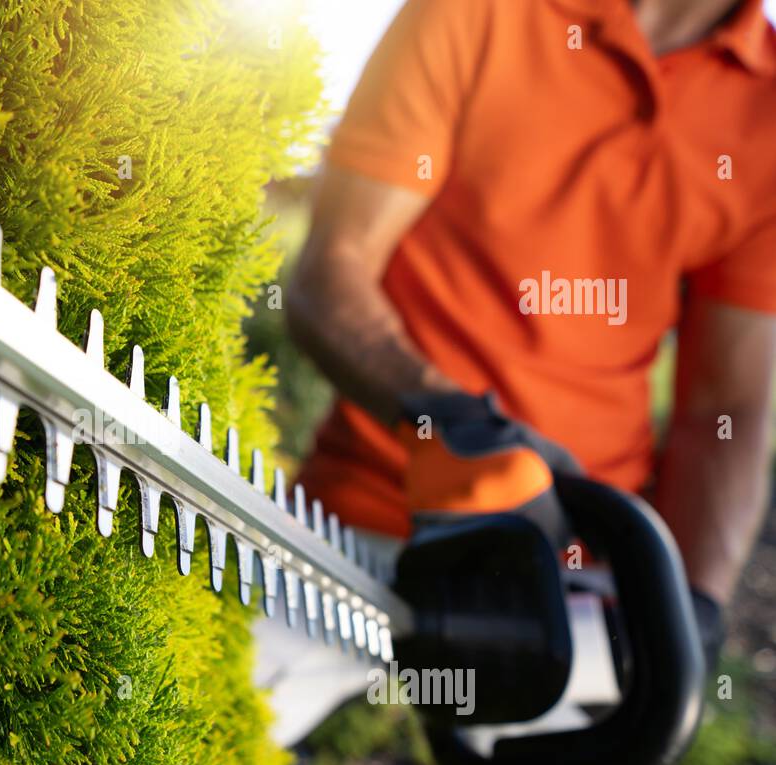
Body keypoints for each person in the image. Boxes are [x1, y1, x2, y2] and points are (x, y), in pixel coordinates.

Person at [289, 0, 776, 676]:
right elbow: (329, 274)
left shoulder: (766, 112)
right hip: (360, 518)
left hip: (578, 562)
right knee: (192, 740)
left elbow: (724, 407)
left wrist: (693, 601)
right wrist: (455, 422)